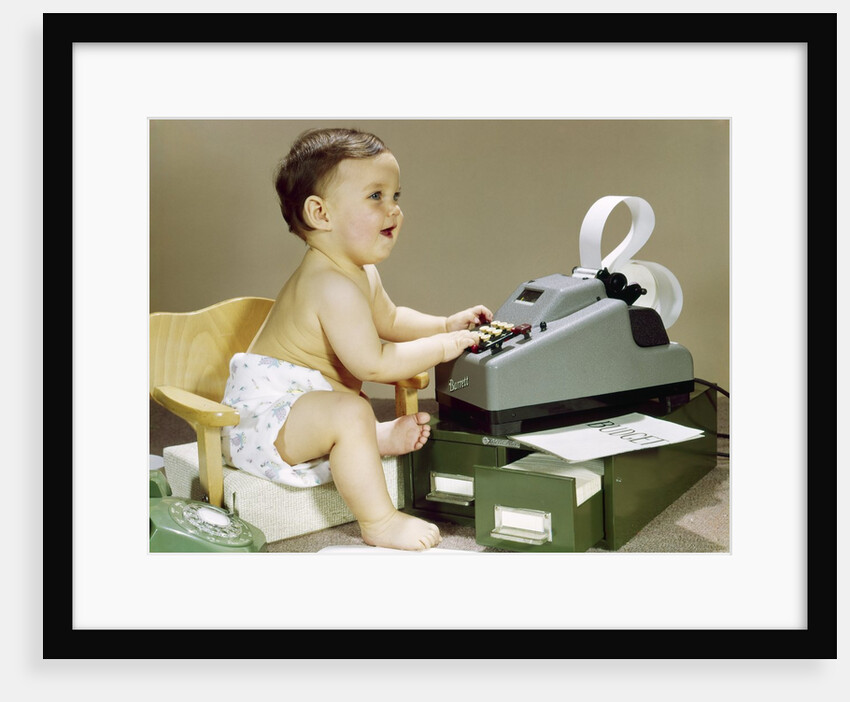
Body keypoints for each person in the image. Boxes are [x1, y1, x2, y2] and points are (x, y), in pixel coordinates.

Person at [221, 128, 492, 551]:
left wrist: (444, 324)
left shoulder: (359, 271)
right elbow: (375, 364)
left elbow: (392, 318)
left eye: (395, 196)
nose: (393, 210)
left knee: (348, 408)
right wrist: (444, 348)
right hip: (261, 424)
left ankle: (371, 437)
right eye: (375, 197)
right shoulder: (330, 283)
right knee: (348, 410)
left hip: (304, 409)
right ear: (320, 214)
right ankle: (379, 522)